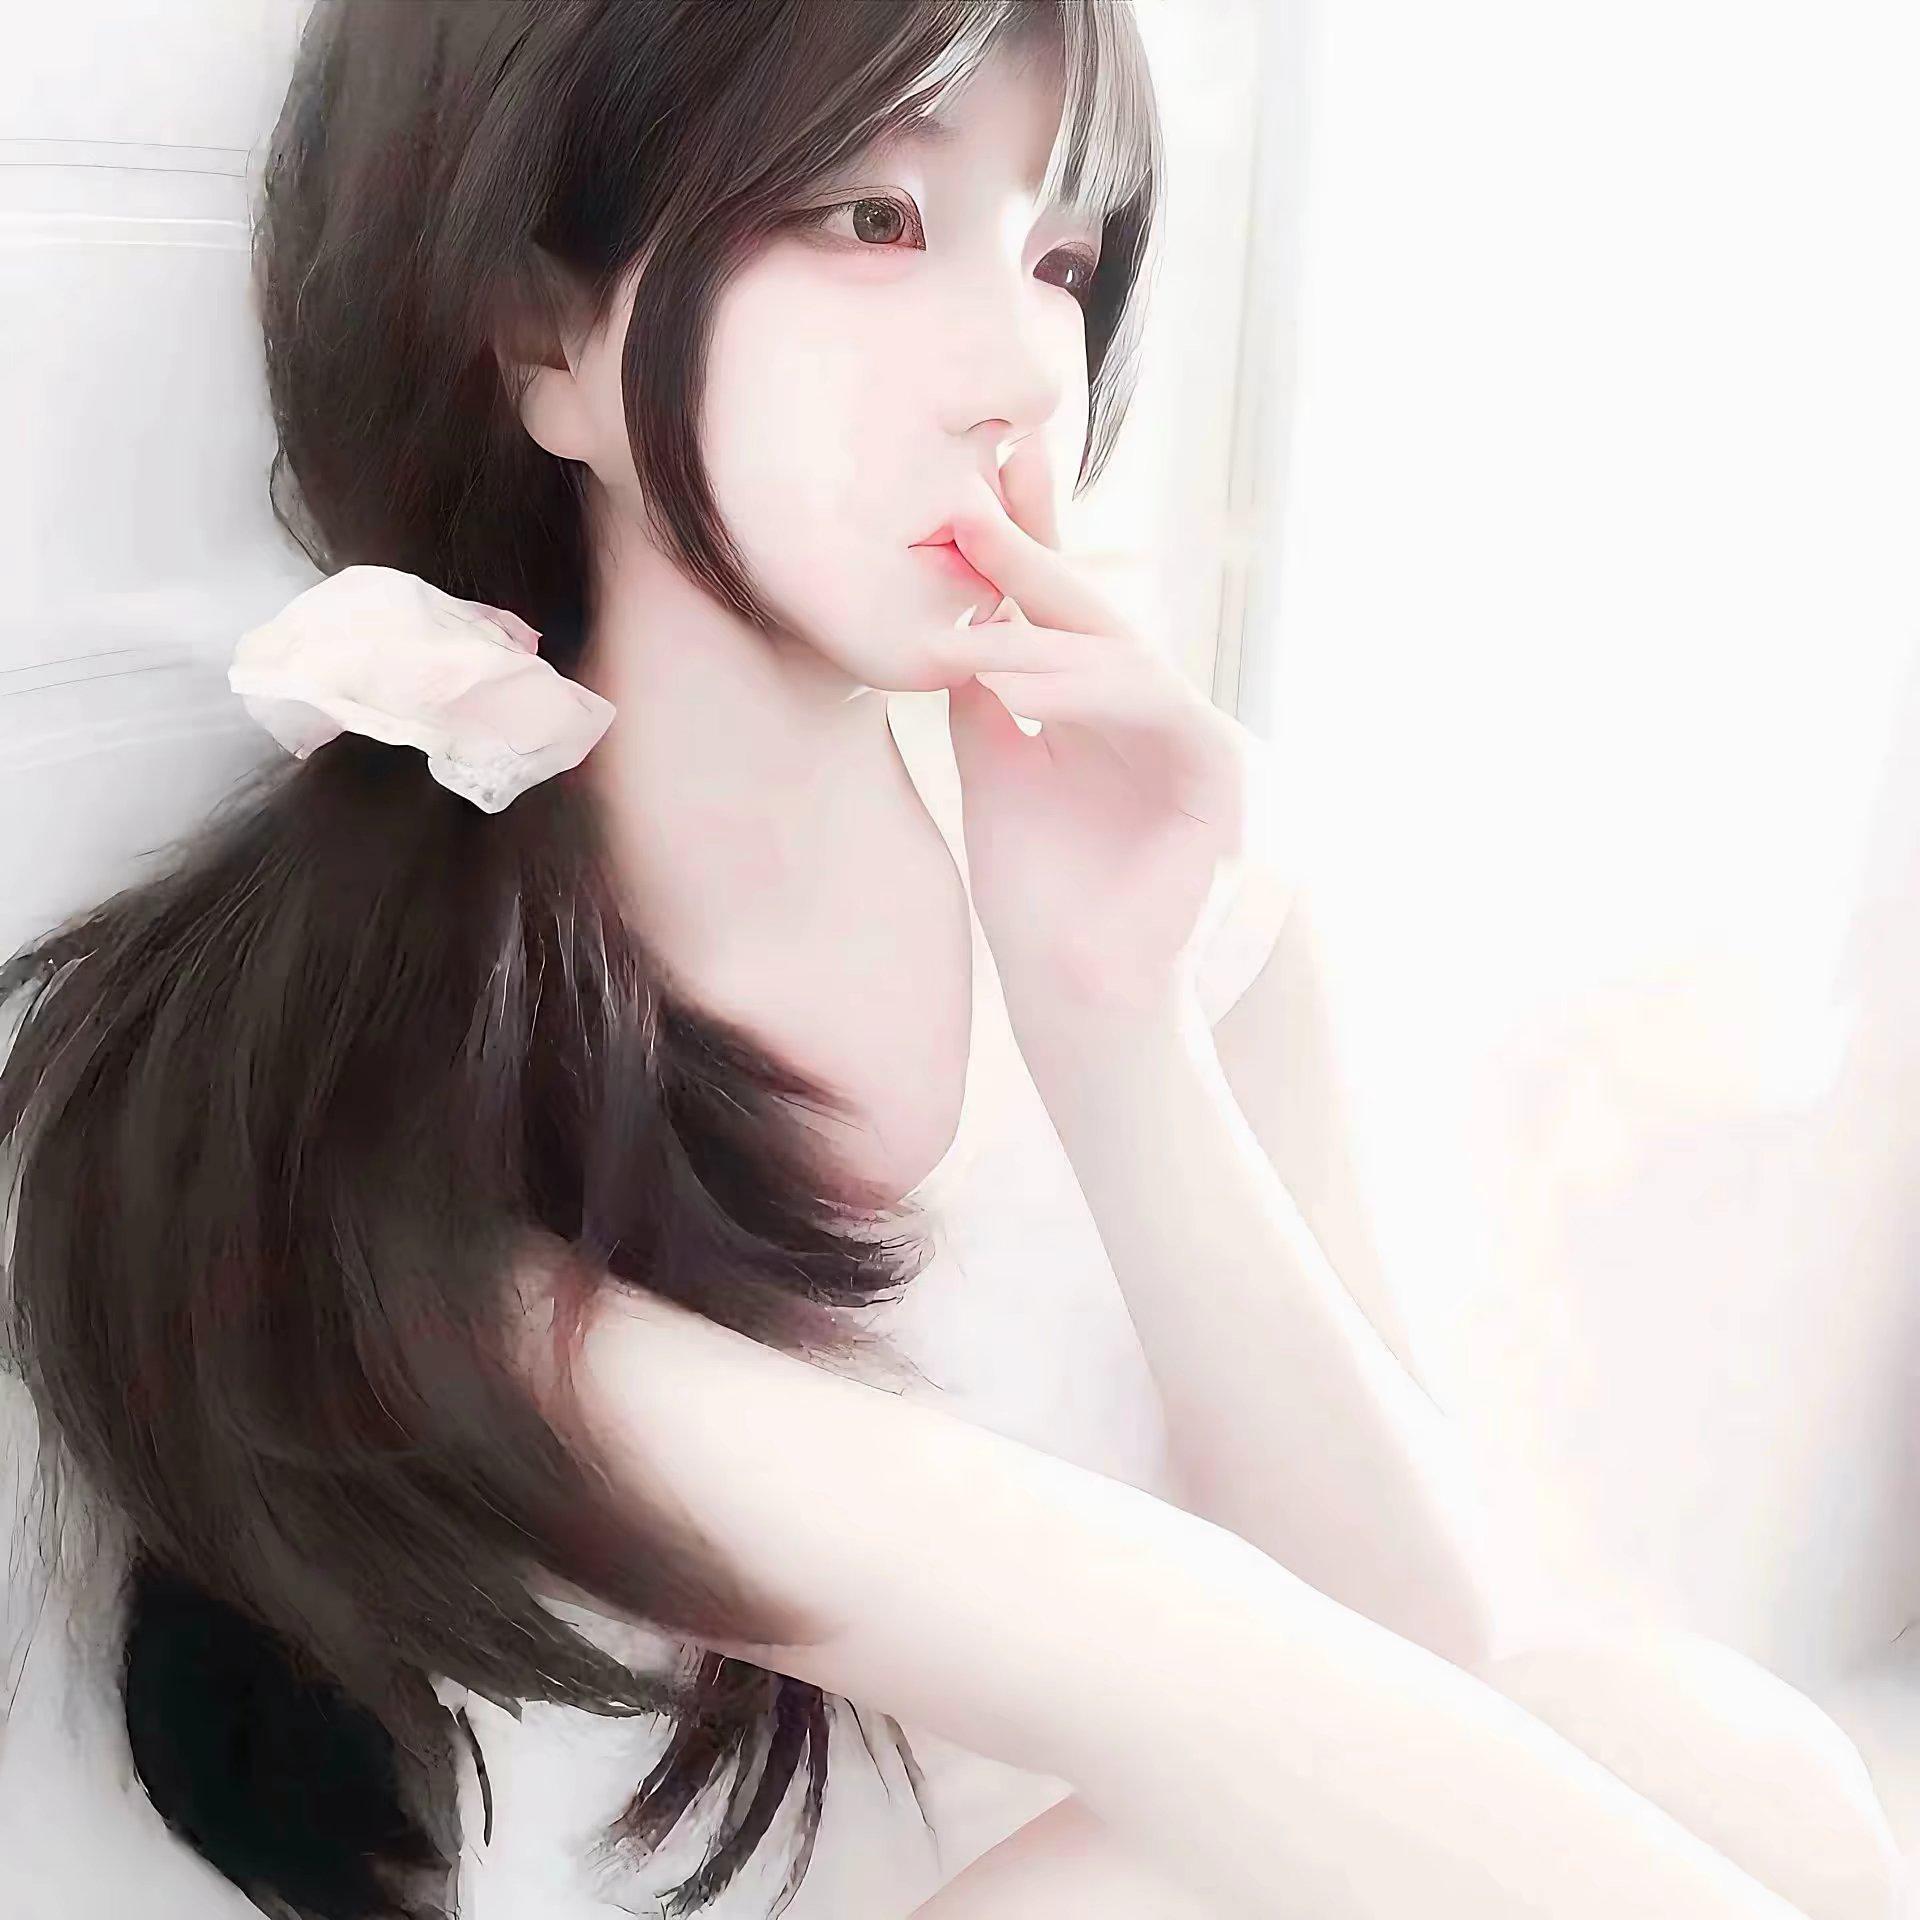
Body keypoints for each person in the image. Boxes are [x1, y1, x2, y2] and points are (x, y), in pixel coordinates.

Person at [0, 4, 1902, 1918]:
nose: (1017, 376)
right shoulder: (368, 1095)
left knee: (1712, 1743)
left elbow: (1448, 1687)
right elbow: (1187, 1674)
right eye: (873, 222)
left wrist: (1115, 1030)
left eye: (1062, 259)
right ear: (543, 338)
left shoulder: (1189, 909)